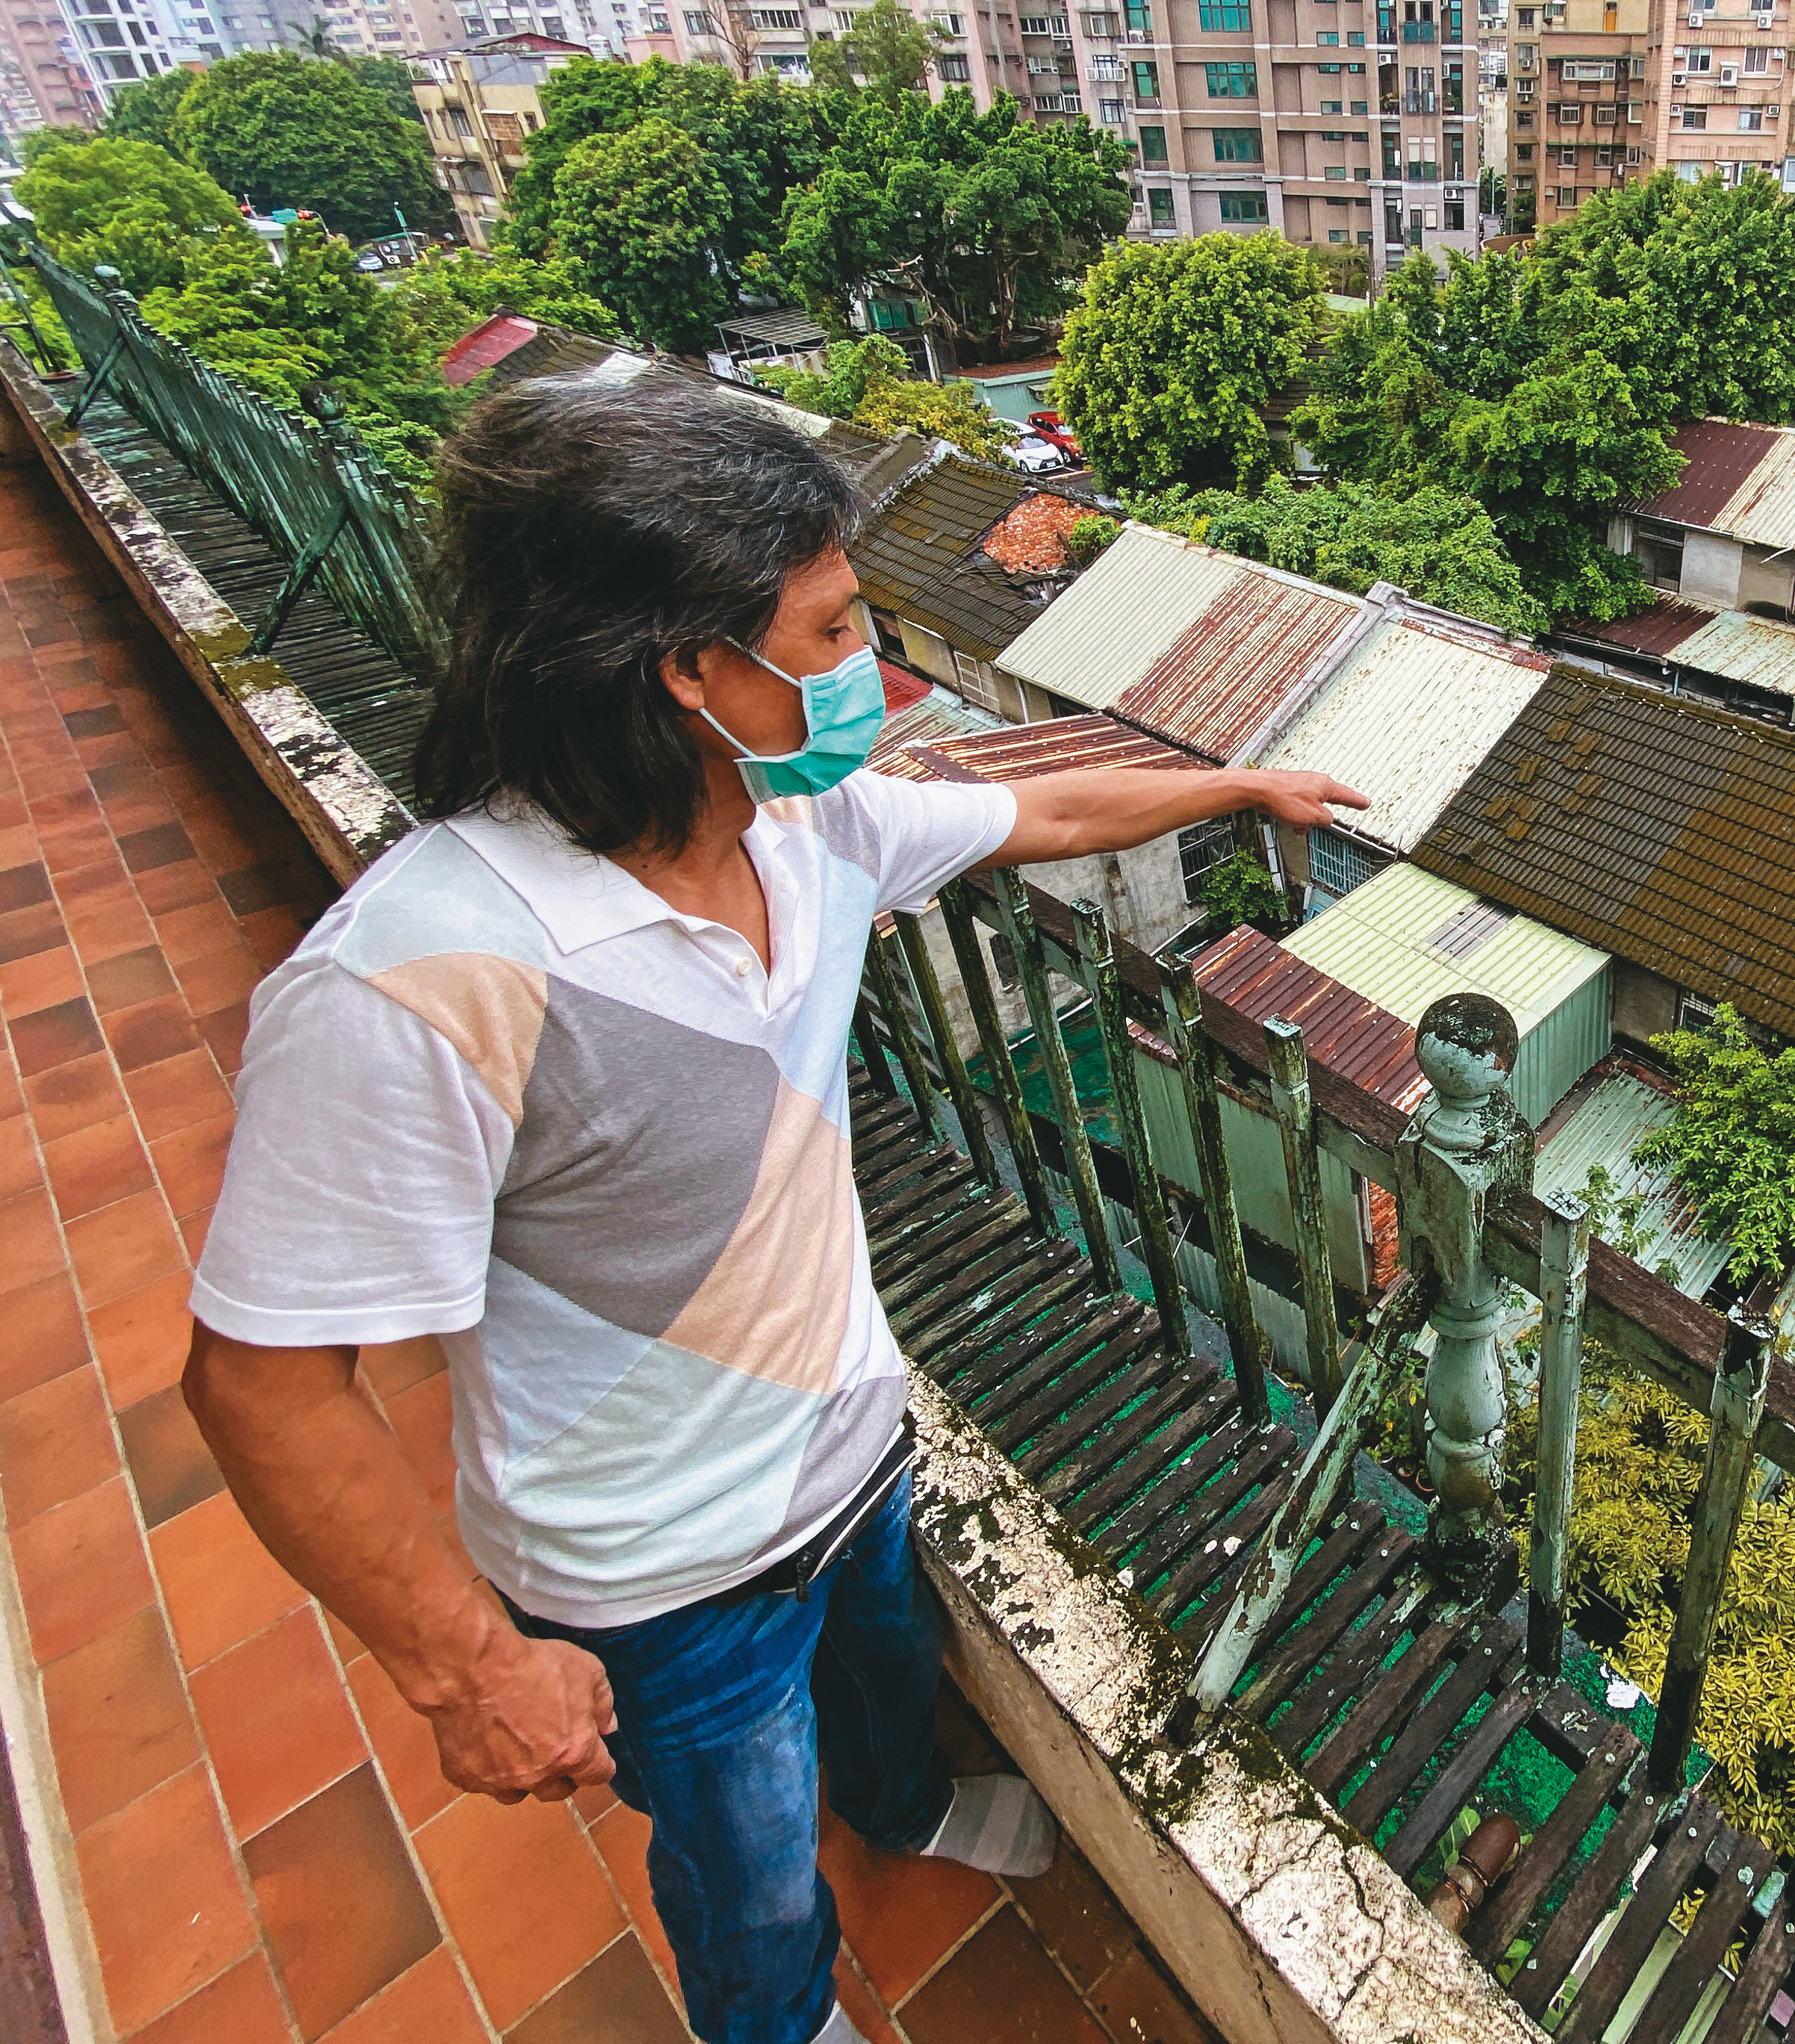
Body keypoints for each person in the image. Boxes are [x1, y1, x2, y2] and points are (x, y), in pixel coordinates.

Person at [181, 377, 1369, 2044]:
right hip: (658, 1576)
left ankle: (907, 1811)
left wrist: (1242, 792)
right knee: (746, 1877)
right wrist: (464, 1663)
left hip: (852, 1442)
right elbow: (264, 1383)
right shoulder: (421, 975)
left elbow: (1041, 809)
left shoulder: (809, 822)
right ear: (687, 669)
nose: (868, 671)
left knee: (886, 1695)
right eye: (827, 633)